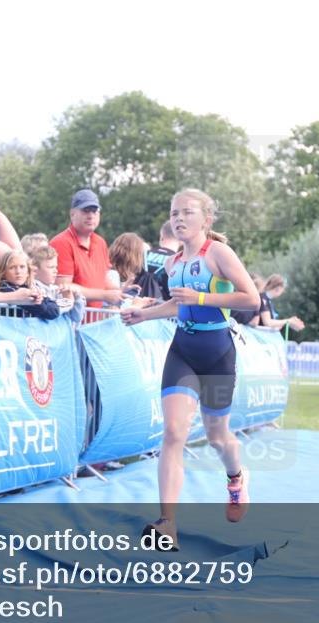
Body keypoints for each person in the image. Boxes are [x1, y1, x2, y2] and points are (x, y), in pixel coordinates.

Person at [121, 188, 260, 550]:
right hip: (182, 350)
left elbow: (251, 299)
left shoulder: (219, 254)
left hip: (217, 355)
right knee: (174, 433)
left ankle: (235, 477)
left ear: (206, 220)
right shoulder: (171, 264)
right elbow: (177, 306)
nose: (179, 219)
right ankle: (167, 523)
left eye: (187, 213)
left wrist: (202, 298)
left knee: (218, 438)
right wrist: (144, 314)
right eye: (174, 213)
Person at [48, 189, 122, 309]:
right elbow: (63, 288)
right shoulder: (61, 243)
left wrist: (123, 293)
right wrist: (105, 295)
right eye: (86, 210)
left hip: (94, 322)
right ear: (72, 214)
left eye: (94, 211)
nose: (91, 215)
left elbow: (102, 279)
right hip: (70, 322)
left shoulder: (100, 242)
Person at [0, 249, 61, 319]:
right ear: (3, 273)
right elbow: (48, 312)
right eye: (12, 268)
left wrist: (41, 301)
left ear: (28, 271)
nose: (18, 271)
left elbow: (55, 308)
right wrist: (39, 302)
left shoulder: (31, 287)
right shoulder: (4, 289)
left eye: (22, 267)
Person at [31, 244, 86, 324]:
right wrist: (68, 301)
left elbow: (76, 318)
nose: (55, 271)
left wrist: (77, 298)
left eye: (56, 267)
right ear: (35, 271)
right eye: (50, 267)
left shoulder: (58, 291)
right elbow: (48, 308)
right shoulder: (33, 288)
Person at [109, 232, 164, 304]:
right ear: (135, 255)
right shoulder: (112, 275)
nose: (145, 259)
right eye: (143, 254)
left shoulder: (139, 278)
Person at [145, 221, 180, 301]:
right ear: (180, 240)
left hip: (138, 307)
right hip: (165, 309)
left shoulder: (143, 255)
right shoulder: (179, 261)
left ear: (162, 237)